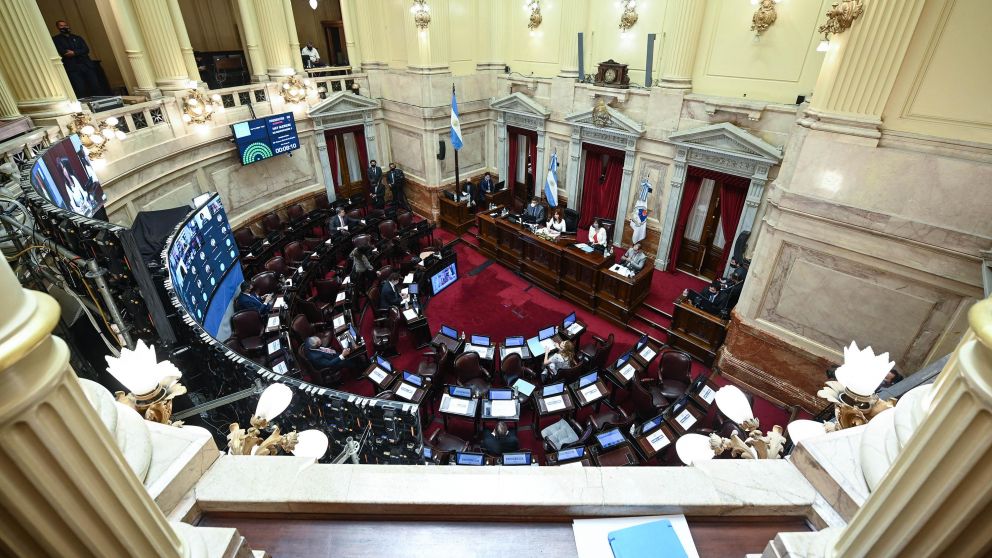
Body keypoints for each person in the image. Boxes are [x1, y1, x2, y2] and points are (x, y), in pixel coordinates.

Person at [52, 20, 102, 98]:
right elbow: (63, 52)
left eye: (65, 25)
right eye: (61, 26)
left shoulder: (77, 37)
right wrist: (79, 51)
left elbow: (86, 49)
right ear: (58, 27)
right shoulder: (56, 39)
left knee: (95, 85)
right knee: (80, 88)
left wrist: (74, 52)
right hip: (73, 68)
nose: (64, 27)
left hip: (86, 65)